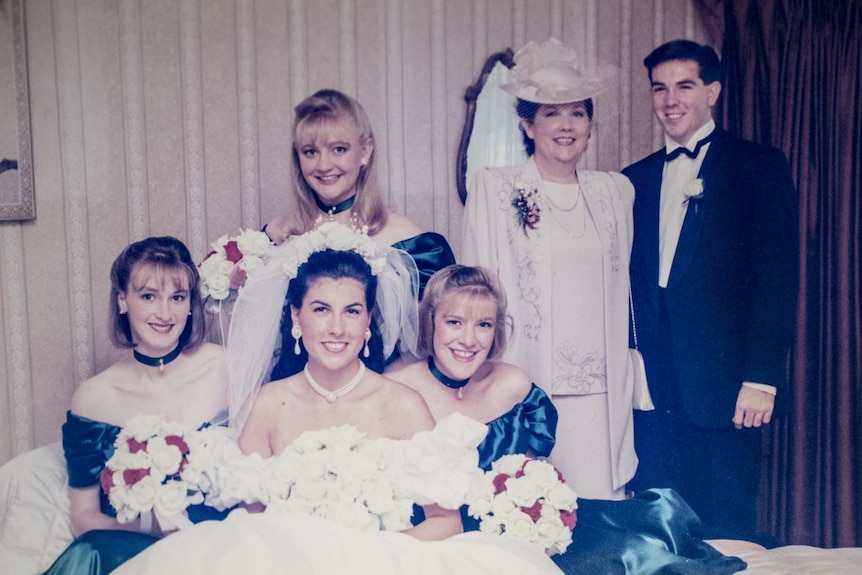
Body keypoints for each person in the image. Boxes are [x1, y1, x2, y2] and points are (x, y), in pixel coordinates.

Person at [112, 227, 564, 575]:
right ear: (296, 316)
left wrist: (365, 556)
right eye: (321, 310)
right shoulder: (268, 405)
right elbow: (248, 519)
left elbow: (446, 524)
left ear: (369, 320)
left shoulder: (404, 405)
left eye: (352, 311)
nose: (337, 329)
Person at [390, 264, 749, 575]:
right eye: (454, 322)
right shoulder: (398, 391)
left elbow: (531, 471)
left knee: (632, 552)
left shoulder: (514, 385)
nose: (468, 339)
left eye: (483, 324)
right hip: (443, 540)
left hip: (521, 532)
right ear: (430, 323)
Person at [622, 39, 798, 539]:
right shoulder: (633, 180)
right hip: (653, 394)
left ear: (713, 91)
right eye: (659, 88)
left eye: (684, 85)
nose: (670, 100)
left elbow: (777, 278)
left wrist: (761, 377)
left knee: (727, 529)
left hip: (726, 392)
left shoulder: (758, 166)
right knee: (660, 530)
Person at [461, 38, 636, 500]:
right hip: (532, 388)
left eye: (577, 112)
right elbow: (478, 295)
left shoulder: (615, 193)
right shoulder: (495, 190)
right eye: (551, 113)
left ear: (590, 125)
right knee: (537, 517)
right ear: (527, 123)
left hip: (602, 397)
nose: (566, 125)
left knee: (602, 523)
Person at [43, 236, 229, 574]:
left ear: (190, 304)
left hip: (214, 544)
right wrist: (149, 529)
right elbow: (83, 517)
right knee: (91, 550)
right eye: (148, 296)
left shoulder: (222, 368)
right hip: (132, 548)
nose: (165, 313)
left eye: (177, 297)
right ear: (123, 301)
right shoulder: (93, 396)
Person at [263, 88, 455, 298]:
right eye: (310, 152)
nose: (323, 165)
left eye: (339, 149)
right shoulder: (276, 234)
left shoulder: (413, 246)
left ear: (365, 152)